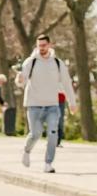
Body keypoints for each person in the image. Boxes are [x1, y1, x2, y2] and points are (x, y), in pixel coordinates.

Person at [15, 34, 77, 173]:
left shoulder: (57, 63)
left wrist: (72, 102)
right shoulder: (31, 62)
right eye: (39, 46)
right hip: (34, 104)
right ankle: (26, 151)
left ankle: (48, 163)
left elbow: (66, 83)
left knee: (53, 133)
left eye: (44, 45)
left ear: (49, 45)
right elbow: (22, 81)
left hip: (52, 105)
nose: (41, 48)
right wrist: (19, 80)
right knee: (35, 134)